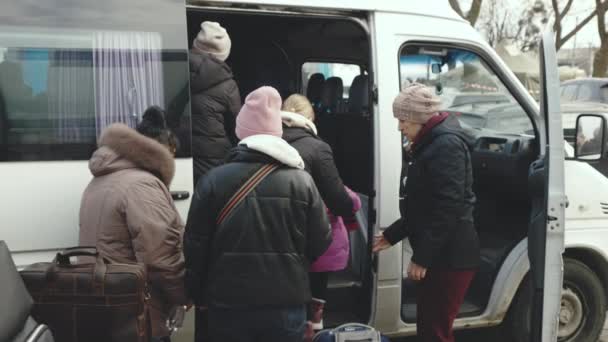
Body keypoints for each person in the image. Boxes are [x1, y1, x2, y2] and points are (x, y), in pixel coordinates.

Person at [184, 86, 332, 342]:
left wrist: (197, 295)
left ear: (241, 132)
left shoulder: (213, 180)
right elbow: (321, 241)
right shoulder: (301, 181)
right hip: (287, 303)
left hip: (228, 304)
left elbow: (196, 247)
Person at [372, 83, 480, 342]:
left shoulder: (446, 146)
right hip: (443, 254)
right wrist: (392, 235)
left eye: (403, 120)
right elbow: (423, 206)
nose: (400, 127)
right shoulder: (431, 143)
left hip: (451, 258)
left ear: (420, 118)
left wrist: (422, 257)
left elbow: (447, 208)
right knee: (430, 328)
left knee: (435, 332)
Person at [79, 106, 190, 342]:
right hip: (137, 311)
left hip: (106, 304)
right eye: (171, 152)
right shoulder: (142, 185)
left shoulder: (102, 178)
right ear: (159, 149)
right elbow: (160, 258)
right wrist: (182, 297)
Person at [281, 94, 361, 331]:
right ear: (311, 118)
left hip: (278, 238)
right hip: (313, 238)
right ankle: (313, 328)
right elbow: (338, 200)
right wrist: (353, 203)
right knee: (315, 291)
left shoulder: (266, 143)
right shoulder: (318, 148)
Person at [189, 21, 241, 185]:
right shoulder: (227, 85)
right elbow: (238, 128)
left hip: (175, 155)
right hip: (214, 164)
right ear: (224, 53)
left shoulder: (173, 69)